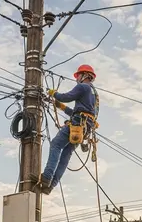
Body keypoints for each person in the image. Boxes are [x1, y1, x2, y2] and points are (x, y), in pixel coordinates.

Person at [37, 64, 98, 195]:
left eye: (78, 76)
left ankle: (47, 177)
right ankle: (50, 185)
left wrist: (54, 94)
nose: (77, 79)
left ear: (84, 75)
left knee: (56, 144)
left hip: (77, 123)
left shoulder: (82, 87)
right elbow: (81, 112)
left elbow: (66, 97)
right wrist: (60, 107)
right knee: (66, 153)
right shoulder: (94, 94)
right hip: (84, 128)